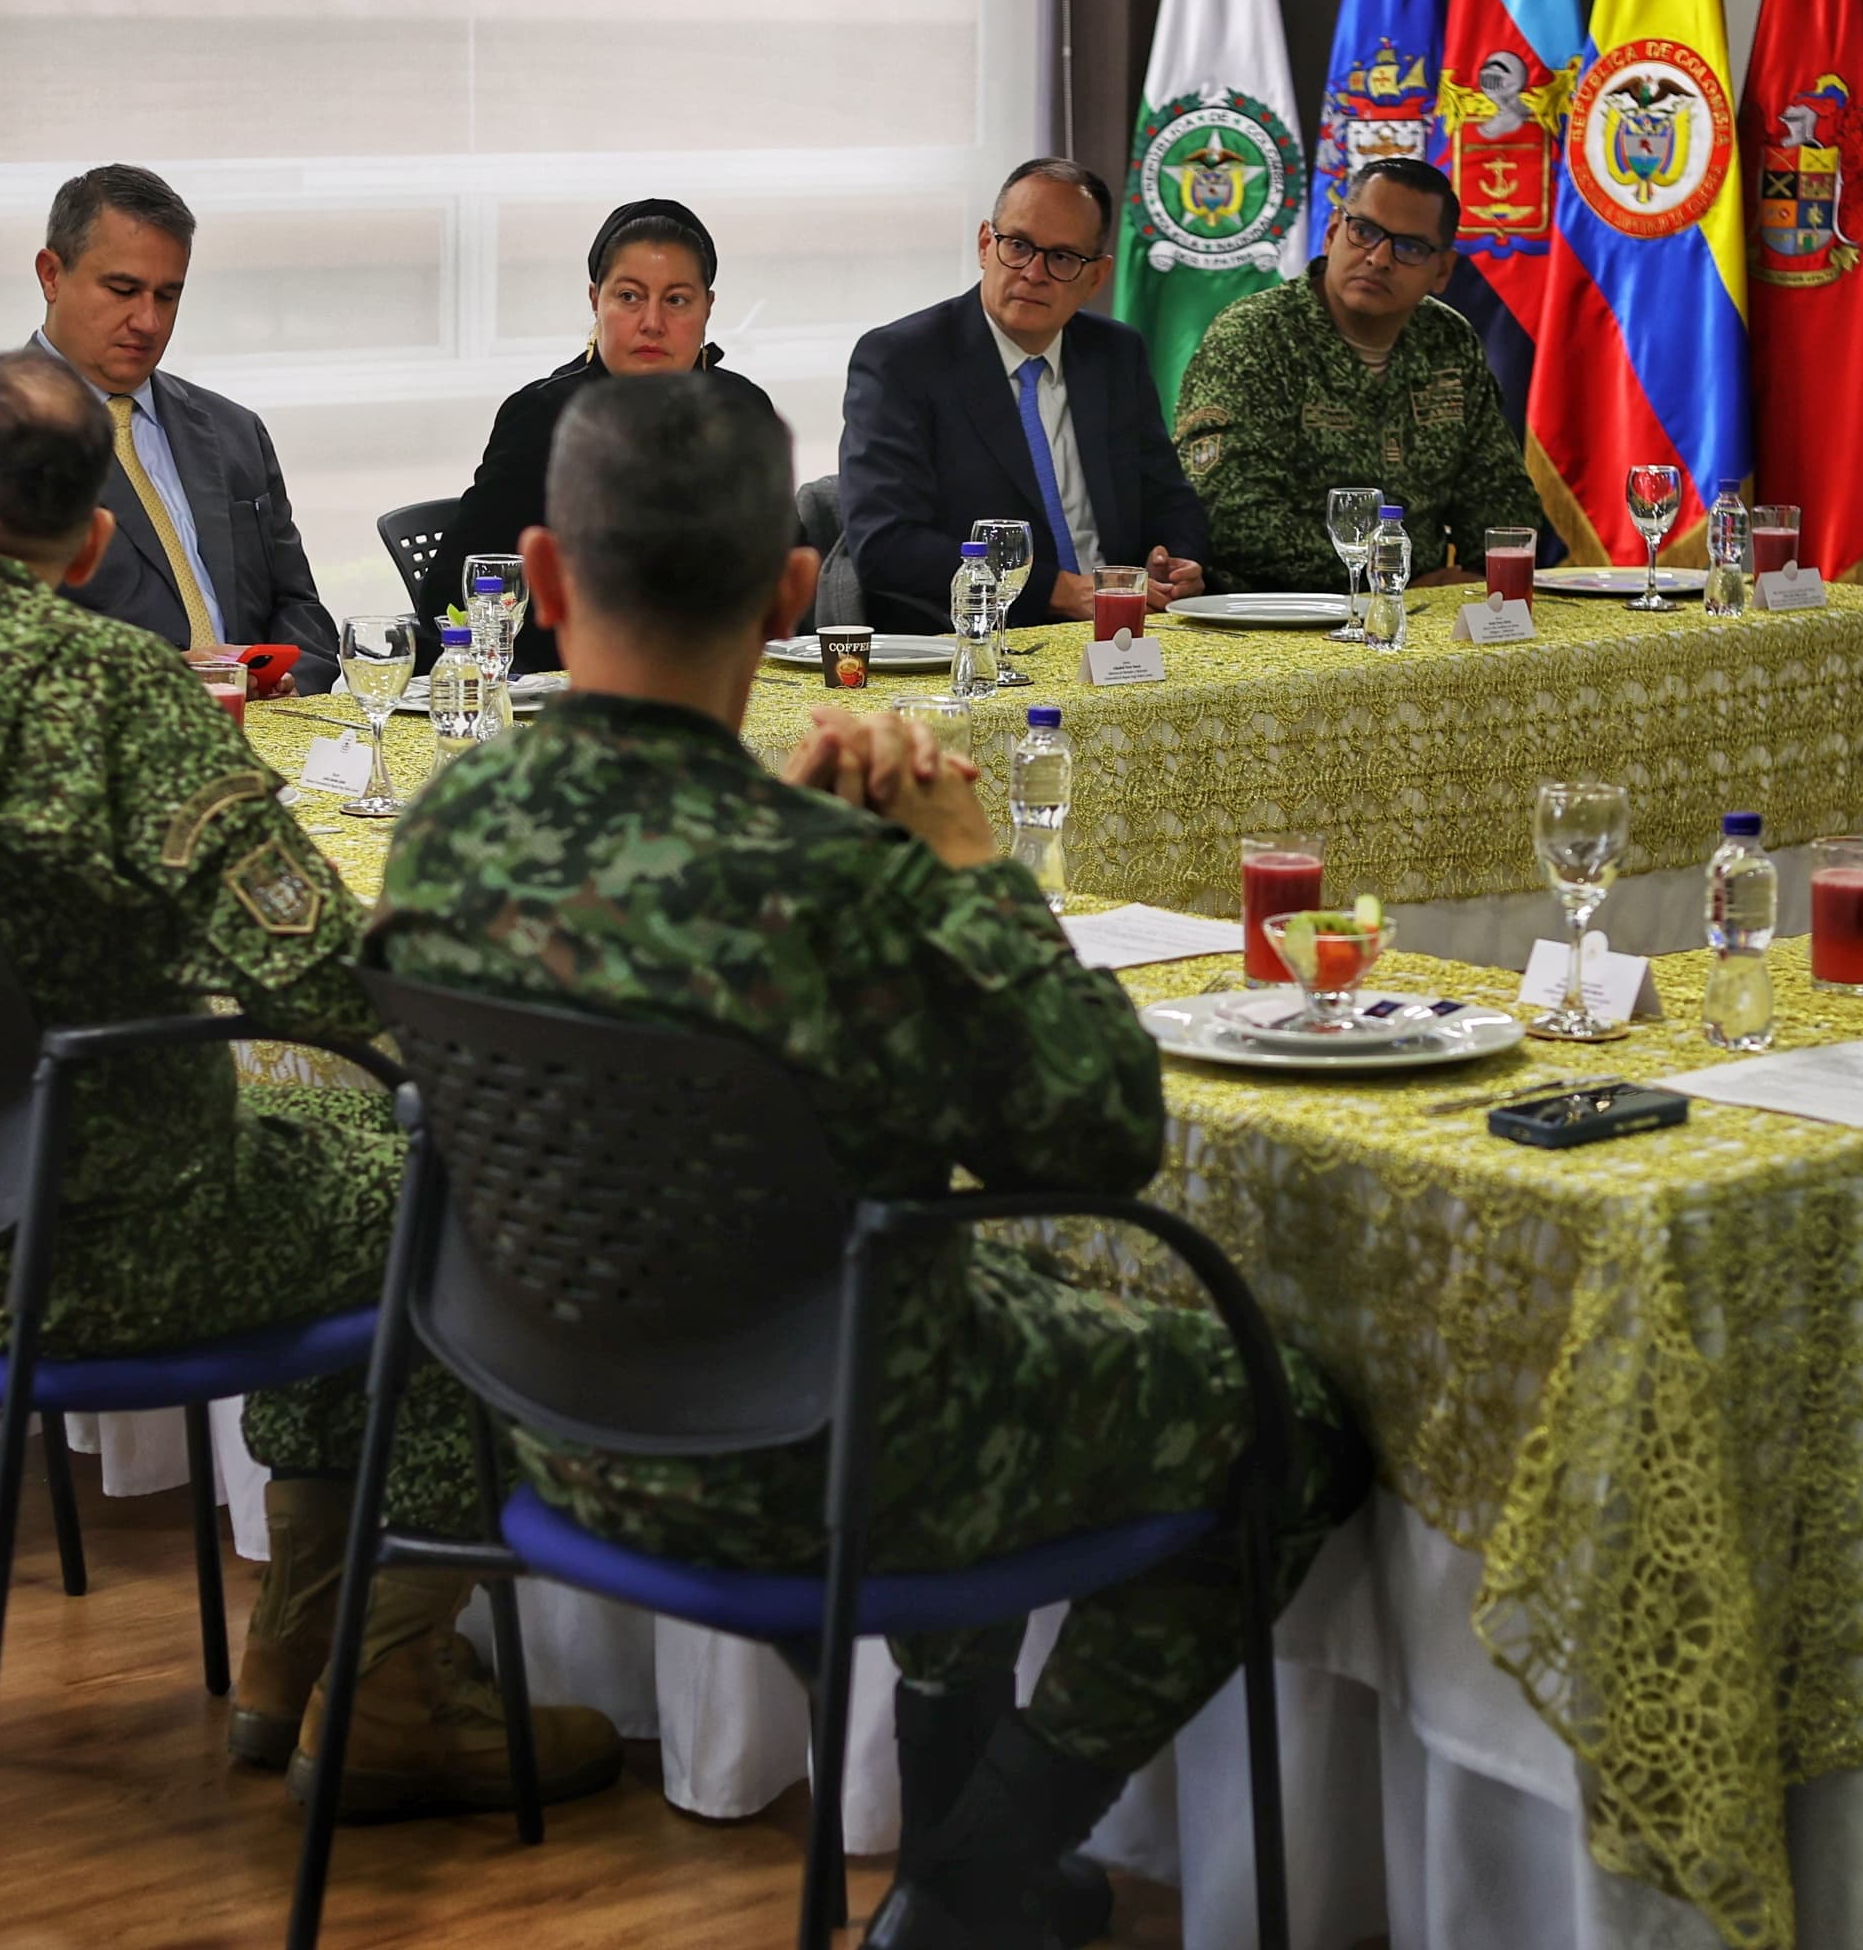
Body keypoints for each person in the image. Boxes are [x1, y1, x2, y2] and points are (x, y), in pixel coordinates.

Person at [370, 373, 1368, 1950]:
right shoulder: (848, 891)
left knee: (957, 1293)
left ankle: (971, 1865)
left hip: (561, 1435)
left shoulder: (450, 824)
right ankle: (973, 1883)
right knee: (1291, 1418)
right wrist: (970, 870)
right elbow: (1102, 1130)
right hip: (829, 1465)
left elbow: (659, 890)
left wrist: (790, 822)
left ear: (548, 579)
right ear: (787, 595)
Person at [0, 349, 618, 1822]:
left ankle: (292, 1655)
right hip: (96, 1251)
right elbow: (315, 976)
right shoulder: (112, 685)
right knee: (450, 1186)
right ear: (94, 547)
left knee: (327, 1140)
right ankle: (391, 1690)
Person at [415, 200, 798, 676]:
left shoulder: (740, 410)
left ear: (708, 307)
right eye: (630, 297)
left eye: (676, 300)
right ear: (596, 299)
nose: (652, 322)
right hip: (563, 685)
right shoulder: (545, 416)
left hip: (721, 678)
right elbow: (459, 586)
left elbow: (784, 572)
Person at [838, 159, 1210, 635]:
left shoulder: (1115, 354)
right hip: (975, 643)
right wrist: (1059, 591)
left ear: (1095, 278)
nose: (1034, 273)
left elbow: (1170, 499)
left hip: (1124, 636)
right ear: (984, 245)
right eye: (1017, 246)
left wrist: (1176, 561)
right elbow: (884, 543)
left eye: (1062, 258)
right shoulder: (902, 360)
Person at [28, 163, 343, 691]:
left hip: (267, 740)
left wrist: (286, 679)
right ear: (52, 275)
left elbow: (302, 612)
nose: (149, 322)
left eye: (167, 296)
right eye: (123, 290)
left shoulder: (234, 430)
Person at [1172, 156, 1543, 593]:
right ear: (1332, 233)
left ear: (1441, 271)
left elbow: (1501, 495)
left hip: (1419, 613)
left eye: (1410, 248)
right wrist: (1389, 575)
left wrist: (1485, 584)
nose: (1379, 258)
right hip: (1272, 618)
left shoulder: (1448, 340)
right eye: (1364, 232)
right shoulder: (1255, 335)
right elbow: (1231, 517)